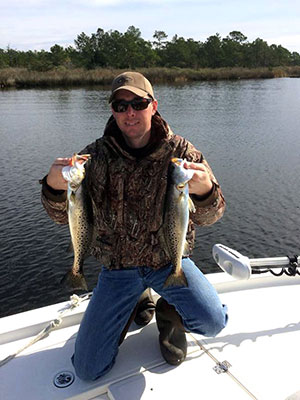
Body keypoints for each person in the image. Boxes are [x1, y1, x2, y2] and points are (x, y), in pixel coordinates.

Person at [41, 71, 228, 381]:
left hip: (169, 262)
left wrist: (207, 191)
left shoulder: (182, 154)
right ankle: (136, 299)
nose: (129, 113)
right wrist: (54, 187)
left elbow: (212, 216)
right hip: (117, 270)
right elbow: (63, 216)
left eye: (138, 103)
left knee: (213, 323)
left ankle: (169, 312)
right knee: (88, 369)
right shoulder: (94, 157)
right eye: (120, 105)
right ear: (112, 110)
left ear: (153, 106)